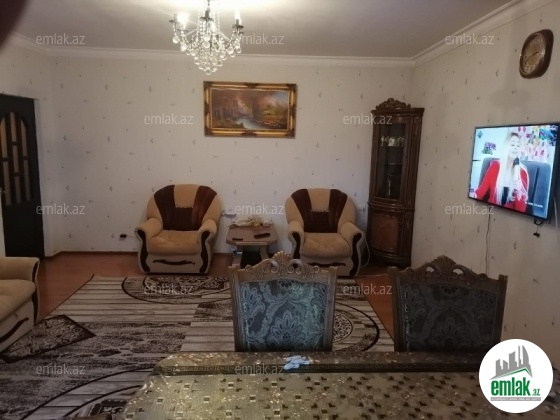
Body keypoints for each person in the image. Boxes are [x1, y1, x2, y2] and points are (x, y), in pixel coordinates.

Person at [472, 130, 529, 212]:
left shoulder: (522, 173)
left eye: (518, 145)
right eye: (512, 144)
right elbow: (481, 191)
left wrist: (519, 191)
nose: (515, 147)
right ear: (506, 147)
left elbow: (521, 210)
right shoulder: (495, 166)